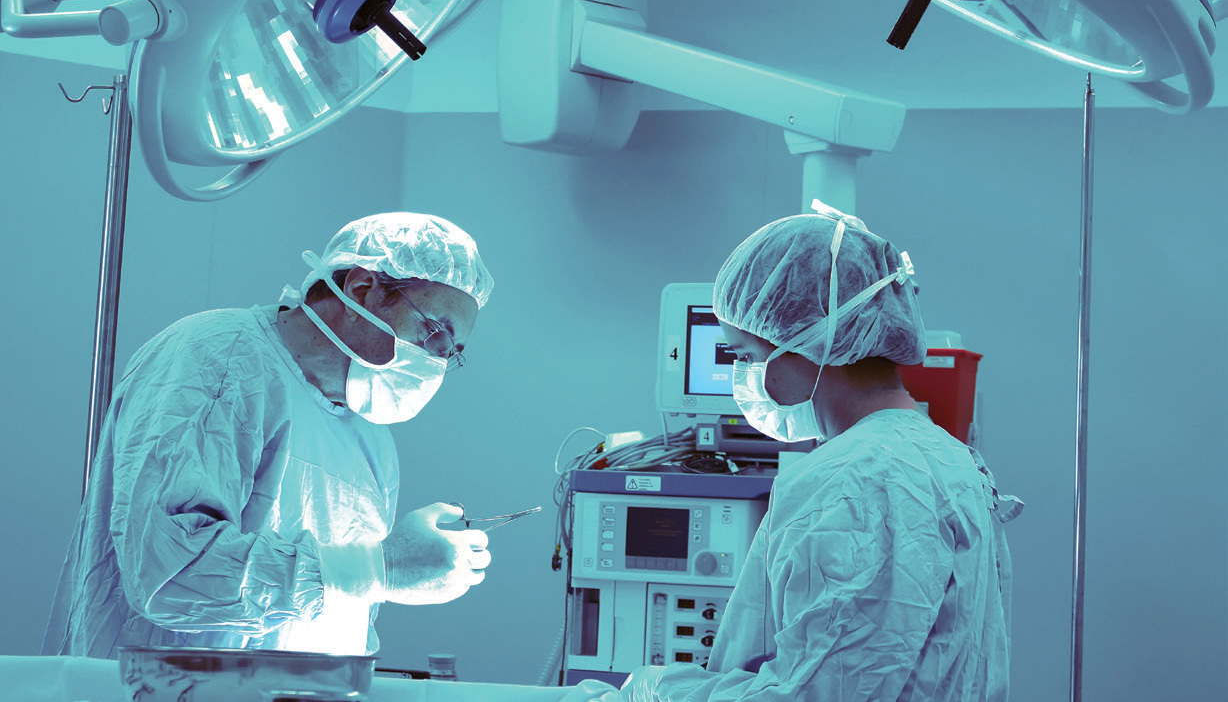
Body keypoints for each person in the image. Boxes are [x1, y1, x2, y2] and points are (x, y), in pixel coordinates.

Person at [575, 207, 1023, 701]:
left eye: (746, 356)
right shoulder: (947, 458)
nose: (743, 379)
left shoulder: (856, 481)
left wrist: (660, 691)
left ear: (808, 342)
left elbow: (816, 695)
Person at [43, 212, 496, 658]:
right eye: (434, 331)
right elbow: (170, 573)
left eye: (450, 352)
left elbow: (346, 621)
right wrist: (383, 568)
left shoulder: (371, 441)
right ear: (362, 289)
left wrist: (377, 582)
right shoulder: (218, 357)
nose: (437, 360)